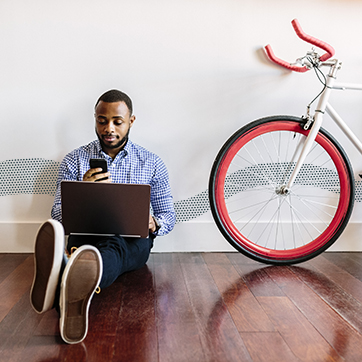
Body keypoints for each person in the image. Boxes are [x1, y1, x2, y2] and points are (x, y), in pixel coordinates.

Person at [30, 89, 175, 344]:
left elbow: (168, 215)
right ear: (95, 119)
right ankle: (72, 282)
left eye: (117, 122)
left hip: (134, 241)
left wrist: (155, 222)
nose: (109, 128)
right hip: (87, 234)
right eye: (101, 120)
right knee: (96, 250)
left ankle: (63, 272)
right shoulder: (75, 160)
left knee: (116, 246)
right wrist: (84, 191)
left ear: (131, 121)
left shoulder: (152, 163)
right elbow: (57, 216)